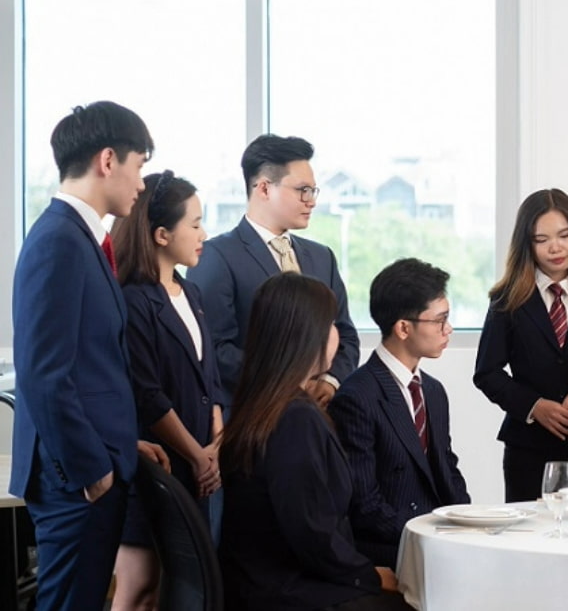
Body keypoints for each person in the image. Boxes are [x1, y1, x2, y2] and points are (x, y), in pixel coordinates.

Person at [9, 101, 163, 610]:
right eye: (139, 165)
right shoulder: (58, 241)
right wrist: (92, 469)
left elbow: (91, 366)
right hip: (74, 478)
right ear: (107, 160)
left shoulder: (82, 238)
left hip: (95, 464)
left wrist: (123, 443)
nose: (142, 184)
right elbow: (44, 374)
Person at [219, 272, 411, 610]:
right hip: (288, 591)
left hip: (263, 582)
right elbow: (310, 531)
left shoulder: (263, 403)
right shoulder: (295, 417)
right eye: (332, 324)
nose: (338, 335)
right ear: (308, 335)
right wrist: (368, 574)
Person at [109, 171, 225, 611]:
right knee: (139, 586)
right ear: (161, 234)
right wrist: (197, 455)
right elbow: (147, 392)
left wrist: (214, 442)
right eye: (194, 224)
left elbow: (208, 377)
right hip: (154, 466)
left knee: (173, 589)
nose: (204, 235)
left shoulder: (191, 292)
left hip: (196, 463)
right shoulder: (134, 298)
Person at [474, 189, 568, 502]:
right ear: (526, 245)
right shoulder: (506, 300)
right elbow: (487, 372)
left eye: (564, 235)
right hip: (528, 448)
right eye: (541, 240)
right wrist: (535, 407)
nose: (555, 248)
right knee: (529, 542)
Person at [187, 133, 357, 407]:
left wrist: (330, 380)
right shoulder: (215, 256)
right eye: (302, 190)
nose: (311, 200)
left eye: (313, 190)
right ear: (264, 189)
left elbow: (346, 334)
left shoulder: (321, 257)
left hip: (318, 416)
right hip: (252, 416)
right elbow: (215, 350)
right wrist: (292, 381)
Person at [329, 258, 470, 566]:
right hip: (392, 547)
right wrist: (429, 536)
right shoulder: (357, 396)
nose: (449, 329)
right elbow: (364, 503)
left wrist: (470, 522)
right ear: (404, 328)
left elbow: (447, 468)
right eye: (440, 320)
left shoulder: (432, 391)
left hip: (438, 539)